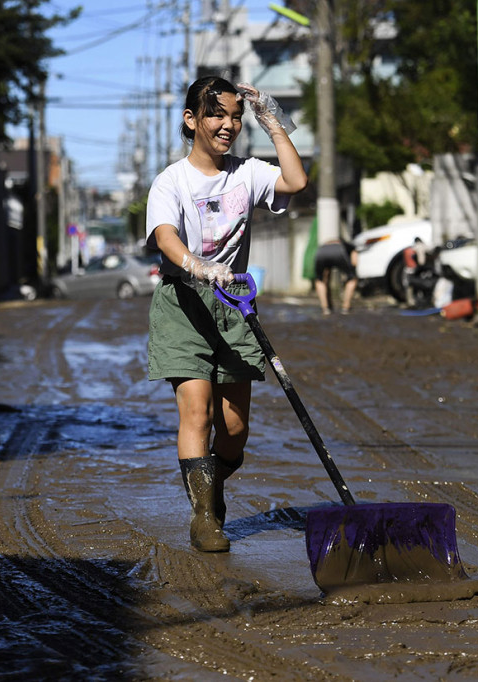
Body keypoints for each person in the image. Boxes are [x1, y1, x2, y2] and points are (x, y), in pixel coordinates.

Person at [145, 76, 307, 552]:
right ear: (191, 120)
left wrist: (271, 119)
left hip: (234, 303)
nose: (228, 125)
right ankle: (204, 518)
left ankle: (212, 488)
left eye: (235, 117)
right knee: (197, 411)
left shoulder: (247, 172)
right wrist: (199, 266)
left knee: (234, 430)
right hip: (184, 302)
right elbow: (165, 236)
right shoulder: (170, 181)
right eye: (216, 115)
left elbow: (295, 181)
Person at [313, 239, 358, 315]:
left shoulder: (325, 245)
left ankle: (325, 308)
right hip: (339, 251)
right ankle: (345, 307)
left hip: (321, 251)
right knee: (352, 279)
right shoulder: (348, 245)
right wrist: (353, 271)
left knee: (320, 280)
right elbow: (355, 261)